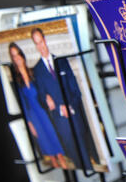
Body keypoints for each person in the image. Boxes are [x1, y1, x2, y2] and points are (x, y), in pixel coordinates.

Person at [31, 27, 100, 170]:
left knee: (83, 147)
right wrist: (47, 101)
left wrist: (69, 105)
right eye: (36, 43)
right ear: (35, 45)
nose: (40, 46)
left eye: (41, 41)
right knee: (73, 153)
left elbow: (75, 89)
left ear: (45, 40)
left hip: (74, 112)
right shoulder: (37, 69)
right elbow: (41, 99)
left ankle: (90, 168)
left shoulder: (62, 61)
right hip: (60, 119)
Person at [8, 42, 67, 169]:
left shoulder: (33, 72)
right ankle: (53, 161)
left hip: (43, 109)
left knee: (52, 133)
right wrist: (29, 123)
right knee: (42, 137)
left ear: (22, 56)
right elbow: (23, 104)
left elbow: (43, 88)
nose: (17, 58)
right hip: (33, 114)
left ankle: (61, 158)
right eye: (14, 56)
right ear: (12, 59)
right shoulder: (16, 80)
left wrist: (48, 96)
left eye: (18, 54)